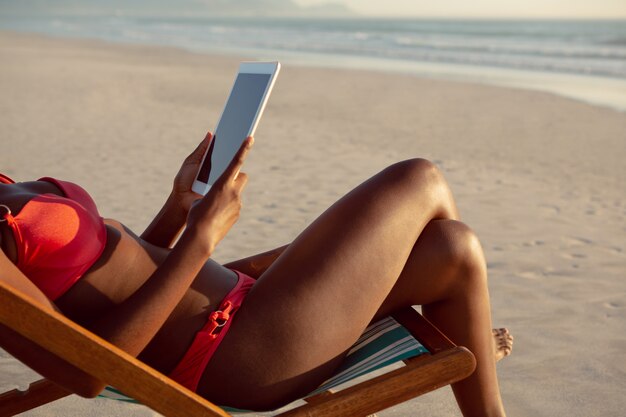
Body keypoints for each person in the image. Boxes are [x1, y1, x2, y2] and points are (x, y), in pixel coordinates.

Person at [0, 132, 512, 416]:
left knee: (452, 248)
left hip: (248, 304)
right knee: (418, 178)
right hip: (243, 352)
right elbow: (88, 370)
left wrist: (179, 209)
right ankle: (468, 357)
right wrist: (202, 240)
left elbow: (109, 281)